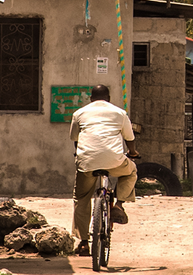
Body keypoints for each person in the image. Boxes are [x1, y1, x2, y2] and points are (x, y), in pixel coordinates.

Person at [70, 85, 139, 256]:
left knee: (81, 198)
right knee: (130, 171)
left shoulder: (79, 113)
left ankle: (84, 242)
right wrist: (133, 153)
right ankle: (119, 204)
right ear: (108, 97)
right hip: (114, 161)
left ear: (91, 98)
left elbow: (75, 139)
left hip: (86, 161)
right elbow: (130, 138)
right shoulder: (120, 113)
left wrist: (81, 155)